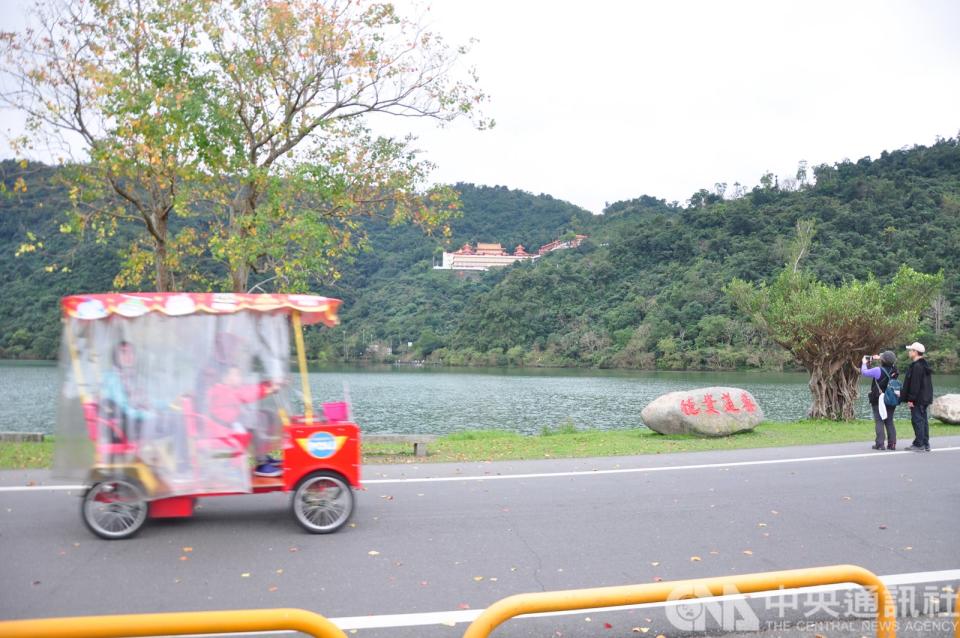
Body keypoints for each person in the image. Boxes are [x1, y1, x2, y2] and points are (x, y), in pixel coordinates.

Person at [206, 365, 284, 476]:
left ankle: (262, 456)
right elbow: (246, 394)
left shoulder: (223, 388)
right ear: (226, 378)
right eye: (237, 375)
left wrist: (267, 384)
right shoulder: (222, 390)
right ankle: (261, 463)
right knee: (255, 423)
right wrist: (270, 388)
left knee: (262, 416)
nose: (240, 377)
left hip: (227, 426)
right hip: (222, 431)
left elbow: (246, 391)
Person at [859, 351, 898, 450]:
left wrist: (864, 363)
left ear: (883, 360)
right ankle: (892, 444)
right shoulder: (895, 370)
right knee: (889, 421)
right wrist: (879, 358)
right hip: (891, 398)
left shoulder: (878, 370)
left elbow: (864, 372)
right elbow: (890, 363)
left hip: (878, 399)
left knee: (879, 421)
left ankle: (880, 444)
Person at [899, 342, 933, 452]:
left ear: (915, 352)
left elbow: (915, 385)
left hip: (918, 399)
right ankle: (925, 443)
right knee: (923, 421)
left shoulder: (917, 366)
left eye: (910, 350)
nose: (909, 352)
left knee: (917, 420)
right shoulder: (923, 365)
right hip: (924, 398)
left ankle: (919, 444)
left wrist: (911, 399)